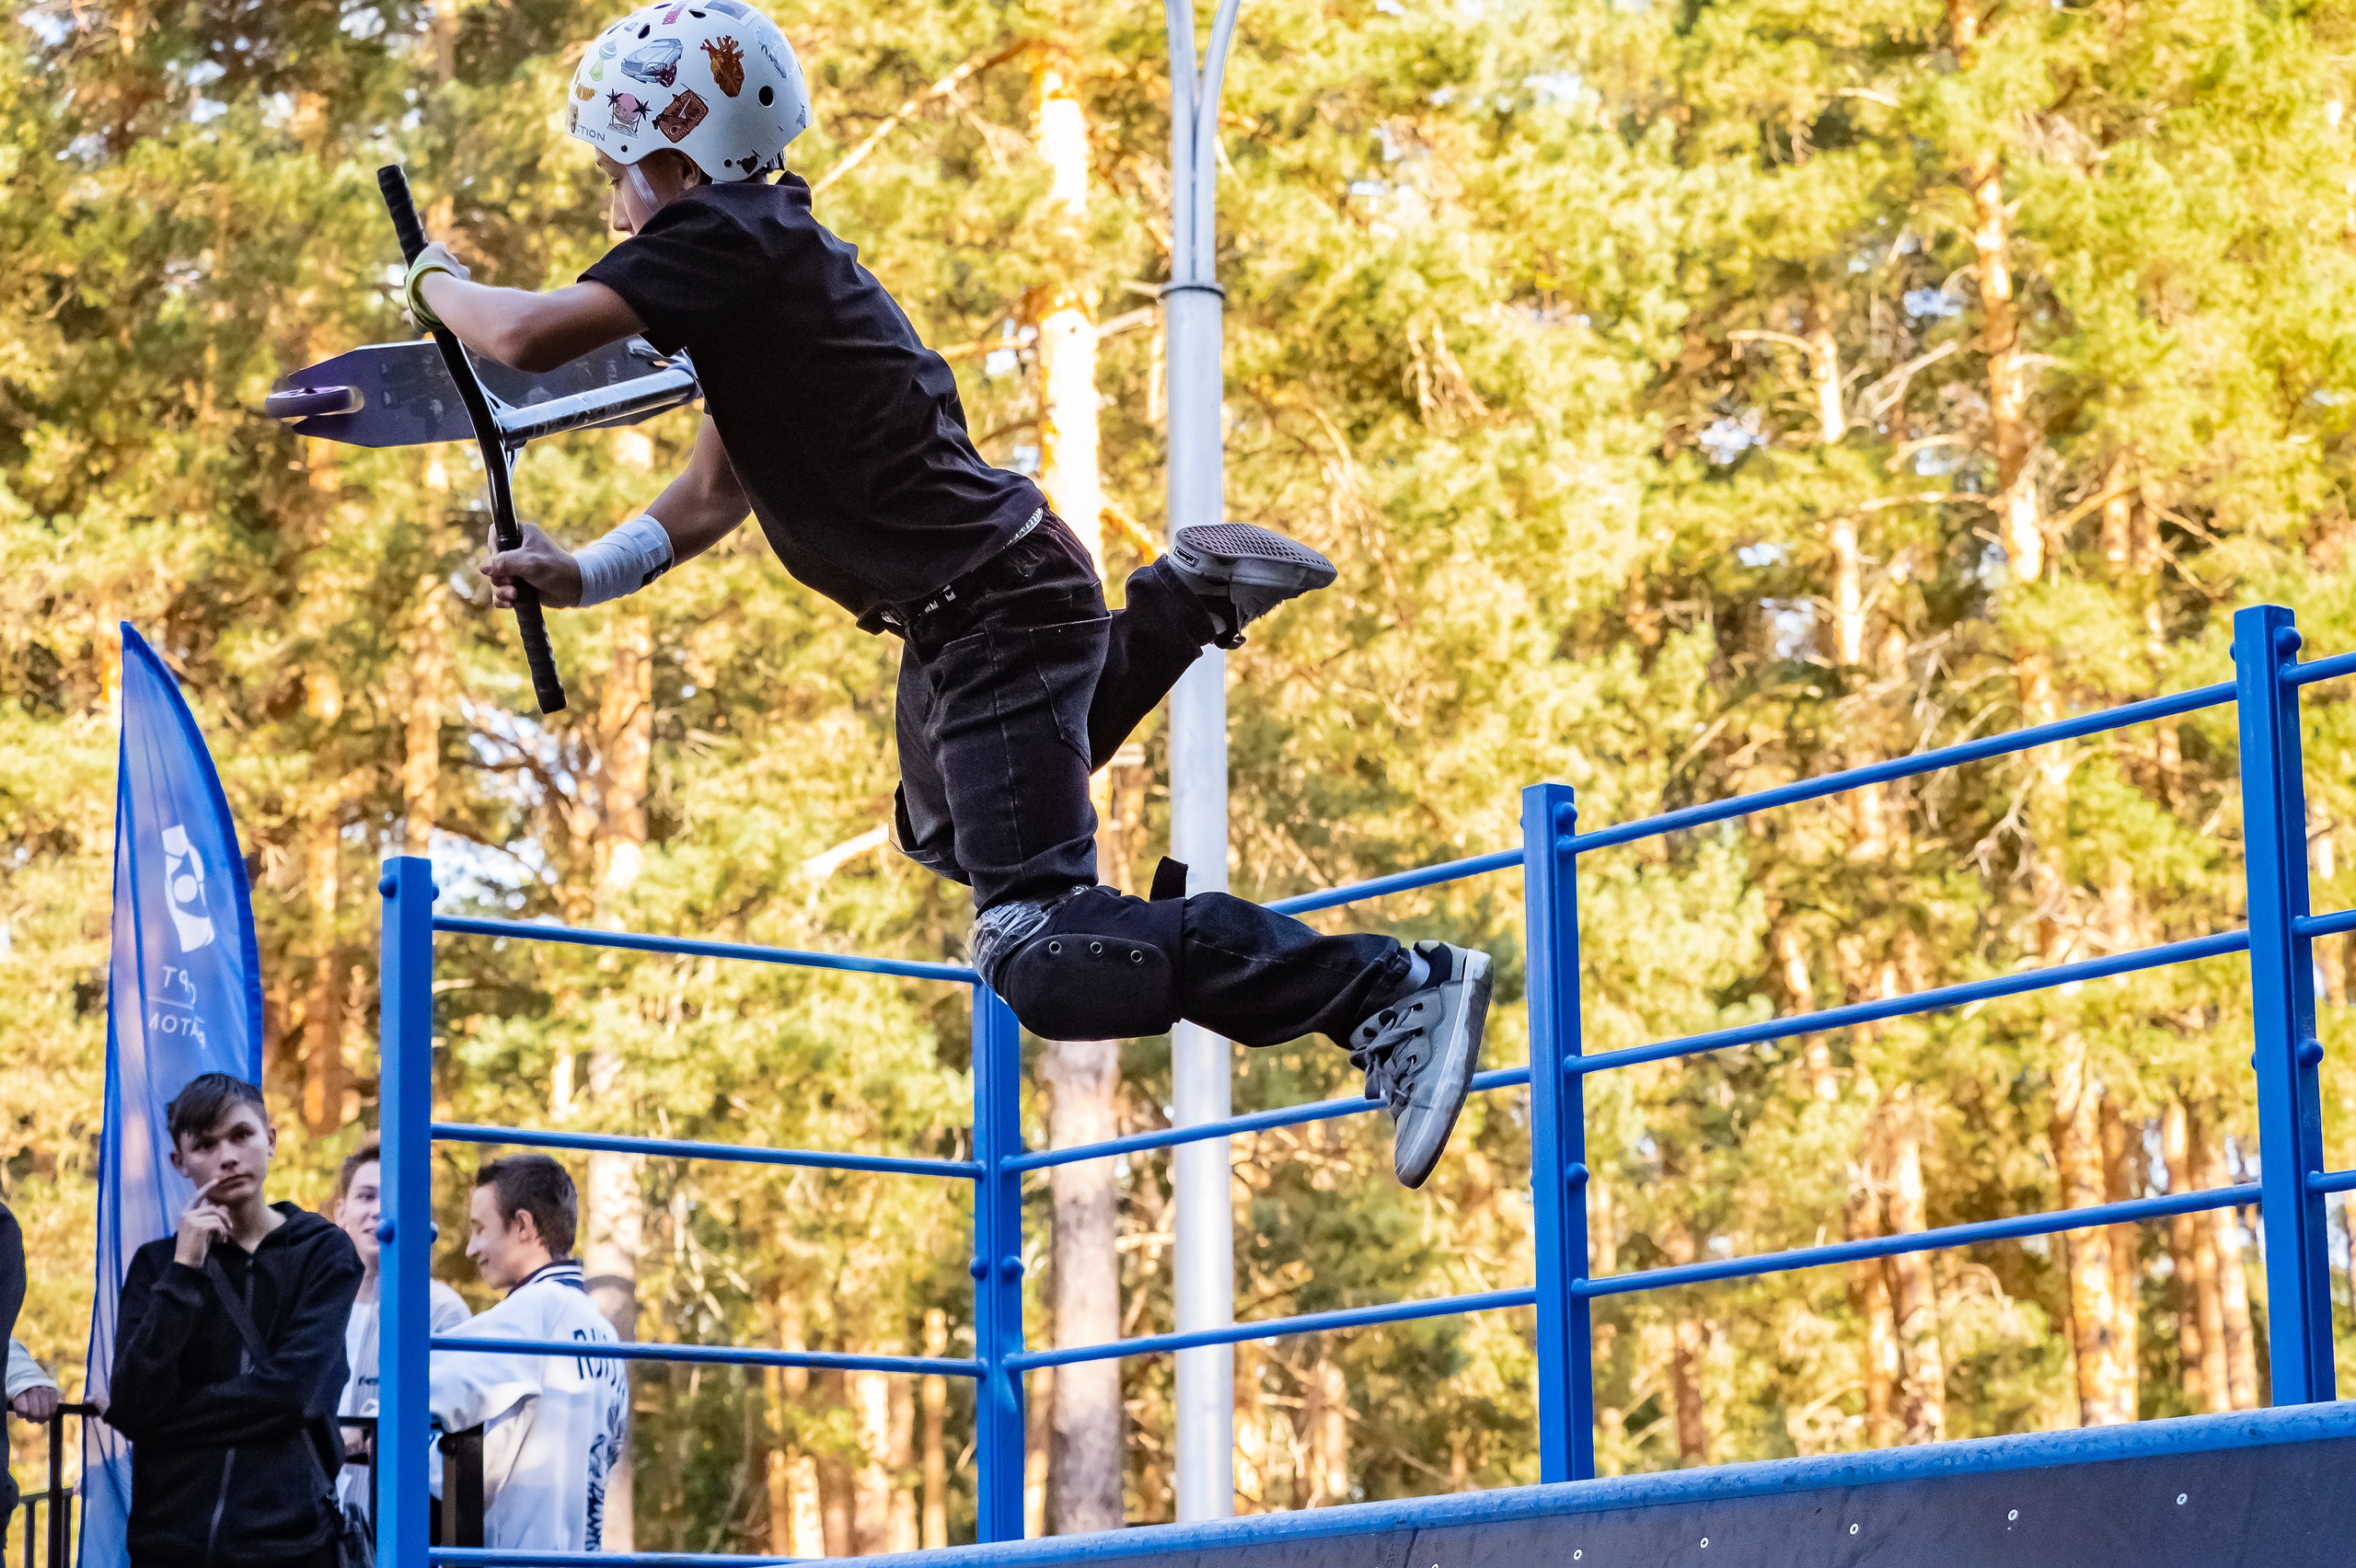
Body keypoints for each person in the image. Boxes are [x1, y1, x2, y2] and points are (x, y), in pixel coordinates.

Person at [399, 0, 1493, 1187]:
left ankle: (1390, 987)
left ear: (673, 158)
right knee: (946, 835)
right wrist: (583, 574)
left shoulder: (725, 233)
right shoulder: (758, 269)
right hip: (977, 606)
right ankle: (1185, 597)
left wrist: (437, 284)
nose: (609, 209)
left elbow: (524, 337)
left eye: (615, 175)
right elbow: (713, 492)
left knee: (1040, 948)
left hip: (995, 609)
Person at [102, 1074, 364, 1568]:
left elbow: (294, 1394)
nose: (227, 1156)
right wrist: (184, 1274)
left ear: (271, 1139)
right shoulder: (158, 1266)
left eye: (241, 1135)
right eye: (205, 1144)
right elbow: (135, 1403)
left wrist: (168, 1421)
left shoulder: (323, 1252)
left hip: (291, 1546)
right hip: (169, 1546)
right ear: (180, 1163)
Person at [429, 1156, 629, 1553]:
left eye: (480, 1229)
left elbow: (420, 1386)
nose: (471, 1249)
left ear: (522, 1226)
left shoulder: (533, 1312)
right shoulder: (605, 1335)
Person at [329, 1136, 471, 1513]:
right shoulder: (313, 1308)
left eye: (390, 1199)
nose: (378, 1211)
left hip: (392, 1523)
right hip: (307, 1527)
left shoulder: (440, 1311)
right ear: (340, 1212)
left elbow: (450, 1433)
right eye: (366, 1196)